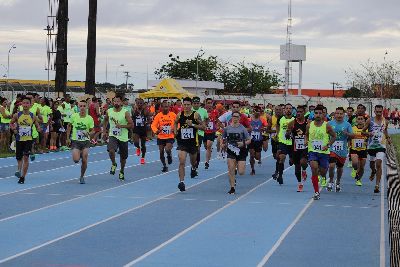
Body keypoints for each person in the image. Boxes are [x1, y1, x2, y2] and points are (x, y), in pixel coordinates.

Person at [174, 97, 205, 192]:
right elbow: (175, 123)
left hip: (193, 143)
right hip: (182, 142)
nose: (186, 106)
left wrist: (193, 125)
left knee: (193, 161)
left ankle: (193, 168)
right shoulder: (180, 115)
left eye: (188, 105)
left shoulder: (196, 115)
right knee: (182, 161)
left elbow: (203, 127)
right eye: (185, 105)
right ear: (182, 105)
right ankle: (181, 182)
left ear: (191, 105)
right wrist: (175, 131)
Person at [306, 105, 336, 200]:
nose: (318, 115)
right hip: (312, 151)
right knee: (314, 168)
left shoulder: (326, 125)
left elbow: (334, 136)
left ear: (323, 114)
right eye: (316, 113)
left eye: (320, 113)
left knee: (323, 172)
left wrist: (327, 145)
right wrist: (306, 140)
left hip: (324, 153)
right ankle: (316, 192)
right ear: (313, 114)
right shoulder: (309, 125)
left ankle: (322, 176)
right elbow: (306, 134)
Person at [10, 96, 42, 184]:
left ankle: (23, 177)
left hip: (28, 139)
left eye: (27, 103)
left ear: (30, 105)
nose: (25, 105)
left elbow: (37, 125)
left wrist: (39, 128)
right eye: (24, 103)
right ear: (21, 104)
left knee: (26, 157)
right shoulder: (17, 115)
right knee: (19, 158)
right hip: (19, 139)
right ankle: (19, 170)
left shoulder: (33, 116)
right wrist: (14, 129)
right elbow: (11, 123)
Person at [102, 95, 134, 181]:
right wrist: (104, 131)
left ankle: (122, 171)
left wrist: (122, 126)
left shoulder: (125, 112)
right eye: (115, 101)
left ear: (121, 102)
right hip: (113, 135)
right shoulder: (109, 111)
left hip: (123, 137)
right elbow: (105, 120)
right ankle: (113, 163)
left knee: (123, 157)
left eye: (118, 101)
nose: (116, 103)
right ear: (113, 102)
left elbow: (131, 125)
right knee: (111, 150)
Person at [222, 111, 252, 194]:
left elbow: (249, 140)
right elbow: (223, 137)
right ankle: (232, 188)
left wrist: (243, 143)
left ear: (239, 118)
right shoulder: (227, 128)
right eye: (234, 116)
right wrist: (222, 144)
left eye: (237, 117)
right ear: (231, 117)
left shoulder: (242, 128)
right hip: (231, 150)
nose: (235, 118)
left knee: (241, 172)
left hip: (241, 151)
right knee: (231, 169)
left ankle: (236, 169)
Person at [363, 105, 391, 193]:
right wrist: (369, 134)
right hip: (371, 146)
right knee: (372, 165)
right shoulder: (369, 120)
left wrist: (388, 138)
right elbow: (363, 131)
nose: (379, 113)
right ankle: (373, 171)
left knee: (378, 163)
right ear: (374, 112)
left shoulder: (385, 121)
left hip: (381, 146)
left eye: (380, 112)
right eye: (377, 112)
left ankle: (377, 185)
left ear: (382, 112)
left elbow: (385, 130)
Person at [66, 100, 95, 184]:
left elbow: (93, 131)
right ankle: (80, 154)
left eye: (84, 106)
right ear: (78, 107)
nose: (82, 108)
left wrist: (88, 133)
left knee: (85, 159)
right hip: (76, 141)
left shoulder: (89, 118)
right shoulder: (74, 116)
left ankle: (82, 176)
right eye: (80, 106)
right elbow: (69, 126)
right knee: (76, 160)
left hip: (85, 141)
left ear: (86, 107)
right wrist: (68, 138)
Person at [327, 107, 353, 192]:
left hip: (342, 150)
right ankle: (331, 181)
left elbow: (353, 136)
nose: (339, 115)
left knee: (339, 168)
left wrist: (347, 133)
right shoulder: (329, 123)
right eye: (337, 113)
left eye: (341, 114)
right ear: (334, 114)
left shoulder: (347, 124)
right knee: (331, 165)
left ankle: (338, 181)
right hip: (332, 148)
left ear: (343, 115)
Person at [287, 105, 308, 192]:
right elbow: (287, 134)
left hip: (305, 146)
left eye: (300, 112)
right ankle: (300, 183)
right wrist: (287, 134)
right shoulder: (292, 123)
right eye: (297, 112)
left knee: (303, 162)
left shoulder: (308, 123)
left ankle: (304, 170)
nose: (298, 113)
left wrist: (307, 139)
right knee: (296, 167)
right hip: (295, 147)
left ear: (304, 112)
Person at [151, 101, 176, 172]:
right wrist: (157, 131)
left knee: (167, 149)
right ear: (161, 107)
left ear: (169, 107)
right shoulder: (158, 115)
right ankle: (165, 165)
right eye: (164, 107)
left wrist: (175, 129)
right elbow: (153, 125)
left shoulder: (173, 115)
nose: (166, 108)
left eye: (167, 106)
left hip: (170, 136)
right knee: (161, 152)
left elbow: (178, 123)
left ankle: (169, 155)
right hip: (161, 136)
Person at [275, 103, 295, 184]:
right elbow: (277, 126)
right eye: (287, 108)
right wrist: (277, 134)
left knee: (292, 161)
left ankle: (291, 160)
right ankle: (280, 175)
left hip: (292, 142)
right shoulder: (280, 118)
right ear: (284, 109)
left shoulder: (295, 119)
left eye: (290, 108)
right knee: (281, 157)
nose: (288, 110)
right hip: (282, 142)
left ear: (292, 110)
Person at [350, 114, 369, 186]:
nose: (360, 121)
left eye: (362, 119)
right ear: (356, 120)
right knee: (355, 163)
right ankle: (354, 169)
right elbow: (349, 137)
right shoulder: (352, 128)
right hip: (354, 149)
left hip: (363, 149)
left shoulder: (366, 129)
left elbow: (369, 138)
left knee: (361, 167)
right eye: (359, 119)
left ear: (364, 120)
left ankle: (358, 179)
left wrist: (367, 142)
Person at [248, 107, 266, 175]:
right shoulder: (249, 120)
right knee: (252, 155)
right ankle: (252, 169)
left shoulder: (262, 120)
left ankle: (259, 159)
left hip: (259, 140)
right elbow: (245, 127)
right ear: (254, 111)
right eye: (257, 112)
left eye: (259, 112)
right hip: (251, 140)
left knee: (257, 156)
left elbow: (266, 127)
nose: (258, 113)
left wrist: (264, 128)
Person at [192, 96, 209, 168]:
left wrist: (204, 124)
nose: (196, 104)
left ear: (200, 104)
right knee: (192, 150)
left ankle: (196, 164)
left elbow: (207, 119)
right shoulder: (189, 109)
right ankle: (194, 162)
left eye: (197, 103)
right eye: (194, 103)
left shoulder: (203, 111)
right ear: (192, 103)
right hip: (191, 132)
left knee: (197, 148)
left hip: (199, 132)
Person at [132, 98, 150, 164]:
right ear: (136, 104)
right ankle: (137, 147)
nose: (139, 104)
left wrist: (147, 122)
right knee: (136, 142)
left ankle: (142, 158)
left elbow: (149, 119)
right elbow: (131, 118)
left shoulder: (146, 111)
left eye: (141, 103)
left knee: (143, 145)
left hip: (143, 129)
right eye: (138, 103)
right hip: (136, 128)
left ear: (143, 104)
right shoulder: (134, 110)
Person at [204, 98, 219, 169]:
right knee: (206, 146)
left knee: (209, 145)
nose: (209, 104)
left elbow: (218, 120)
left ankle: (207, 162)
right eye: (208, 103)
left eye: (211, 103)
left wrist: (217, 126)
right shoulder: (203, 111)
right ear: (206, 103)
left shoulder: (215, 112)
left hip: (211, 132)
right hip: (203, 131)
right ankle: (209, 151)